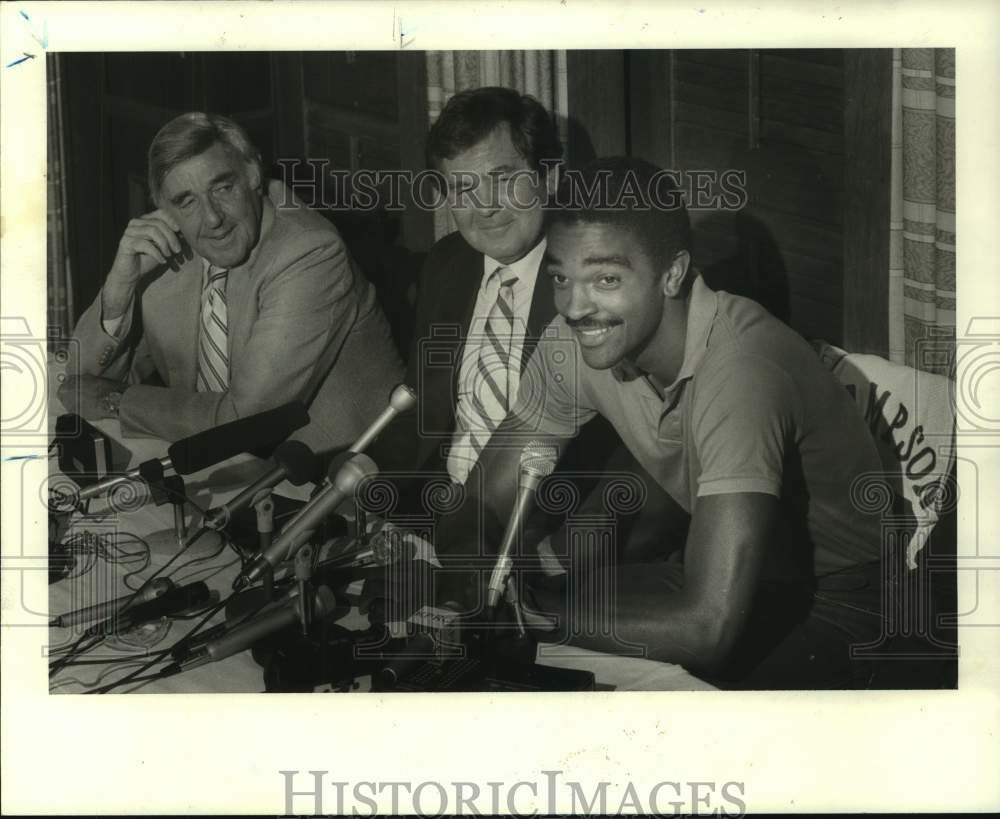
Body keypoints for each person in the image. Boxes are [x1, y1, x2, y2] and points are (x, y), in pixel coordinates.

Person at [473, 157, 887, 689]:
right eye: (560, 277)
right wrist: (469, 574)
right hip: (719, 582)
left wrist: (531, 607)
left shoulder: (741, 367)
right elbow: (480, 502)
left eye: (605, 278)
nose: (576, 307)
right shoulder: (577, 340)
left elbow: (705, 632)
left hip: (841, 603)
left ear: (672, 274)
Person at [369, 87, 679, 573]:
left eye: (502, 179)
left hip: (538, 534)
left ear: (547, 176)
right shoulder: (447, 263)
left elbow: (642, 454)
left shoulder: (596, 282)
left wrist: (556, 557)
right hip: (432, 516)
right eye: (462, 189)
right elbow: (422, 410)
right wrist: (375, 493)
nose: (484, 207)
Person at [61, 112, 403, 454]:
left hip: (329, 484)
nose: (212, 218)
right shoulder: (172, 251)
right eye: (187, 201)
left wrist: (115, 401)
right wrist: (120, 286)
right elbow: (77, 382)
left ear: (253, 173)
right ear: (165, 209)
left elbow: (246, 422)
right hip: (223, 468)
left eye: (223, 188)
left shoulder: (308, 253)